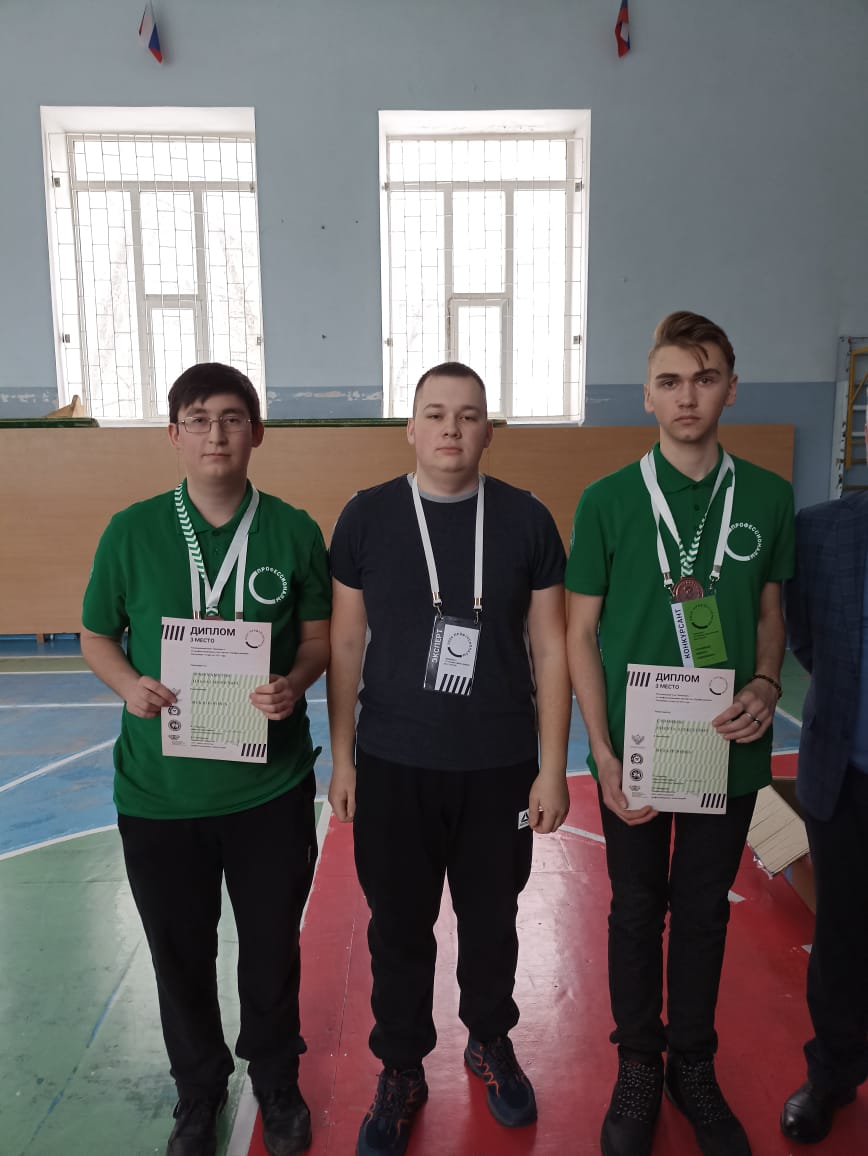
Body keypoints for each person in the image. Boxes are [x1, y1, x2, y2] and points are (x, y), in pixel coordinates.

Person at [80, 363, 331, 1156]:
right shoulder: (131, 531)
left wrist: (293, 682)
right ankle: (198, 1089)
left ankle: (277, 1079)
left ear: (257, 432)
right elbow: (96, 634)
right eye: (198, 419)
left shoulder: (292, 530)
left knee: (271, 950)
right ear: (173, 434)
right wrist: (129, 685)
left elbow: (318, 638)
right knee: (180, 954)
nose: (215, 434)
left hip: (269, 790)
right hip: (160, 794)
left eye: (230, 418)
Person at [327, 362, 571, 1156]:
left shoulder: (527, 519)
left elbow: (551, 647)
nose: (451, 429)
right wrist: (343, 758)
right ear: (410, 427)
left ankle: (489, 1039)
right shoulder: (367, 517)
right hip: (393, 762)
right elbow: (346, 643)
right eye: (435, 413)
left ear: (488, 430)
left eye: (468, 415)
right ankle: (401, 1067)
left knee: (493, 920)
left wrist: (552, 767)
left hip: (500, 764)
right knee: (398, 927)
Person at [565, 312, 795, 1156]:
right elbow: (577, 634)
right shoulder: (607, 500)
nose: (687, 396)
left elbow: (769, 612)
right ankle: (639, 1062)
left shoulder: (767, 496)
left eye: (704, 379)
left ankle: (692, 1065)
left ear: (731, 388)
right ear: (647, 395)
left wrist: (766, 681)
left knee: (702, 914)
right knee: (635, 911)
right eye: (670, 381)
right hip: (637, 750)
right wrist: (600, 751)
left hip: (726, 746)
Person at [779, 452, 868, 1143]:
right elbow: (803, 639)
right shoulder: (820, 530)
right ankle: (832, 1073)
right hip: (847, 776)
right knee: (842, 935)